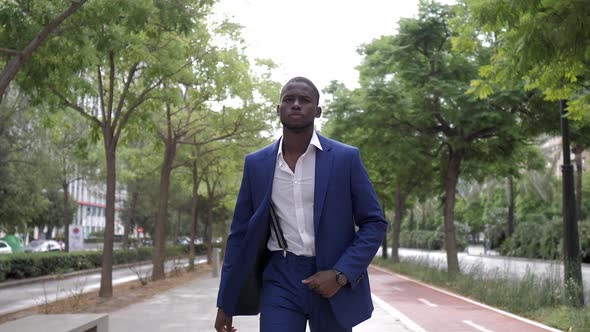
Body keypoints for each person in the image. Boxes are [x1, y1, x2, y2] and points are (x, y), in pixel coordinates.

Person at [215, 77, 387, 332]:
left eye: (304, 100)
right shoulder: (257, 164)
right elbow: (239, 235)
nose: (296, 105)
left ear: (317, 111)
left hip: (331, 278)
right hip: (280, 277)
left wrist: (341, 274)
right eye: (288, 99)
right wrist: (226, 304)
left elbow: (374, 222)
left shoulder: (345, 159)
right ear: (278, 109)